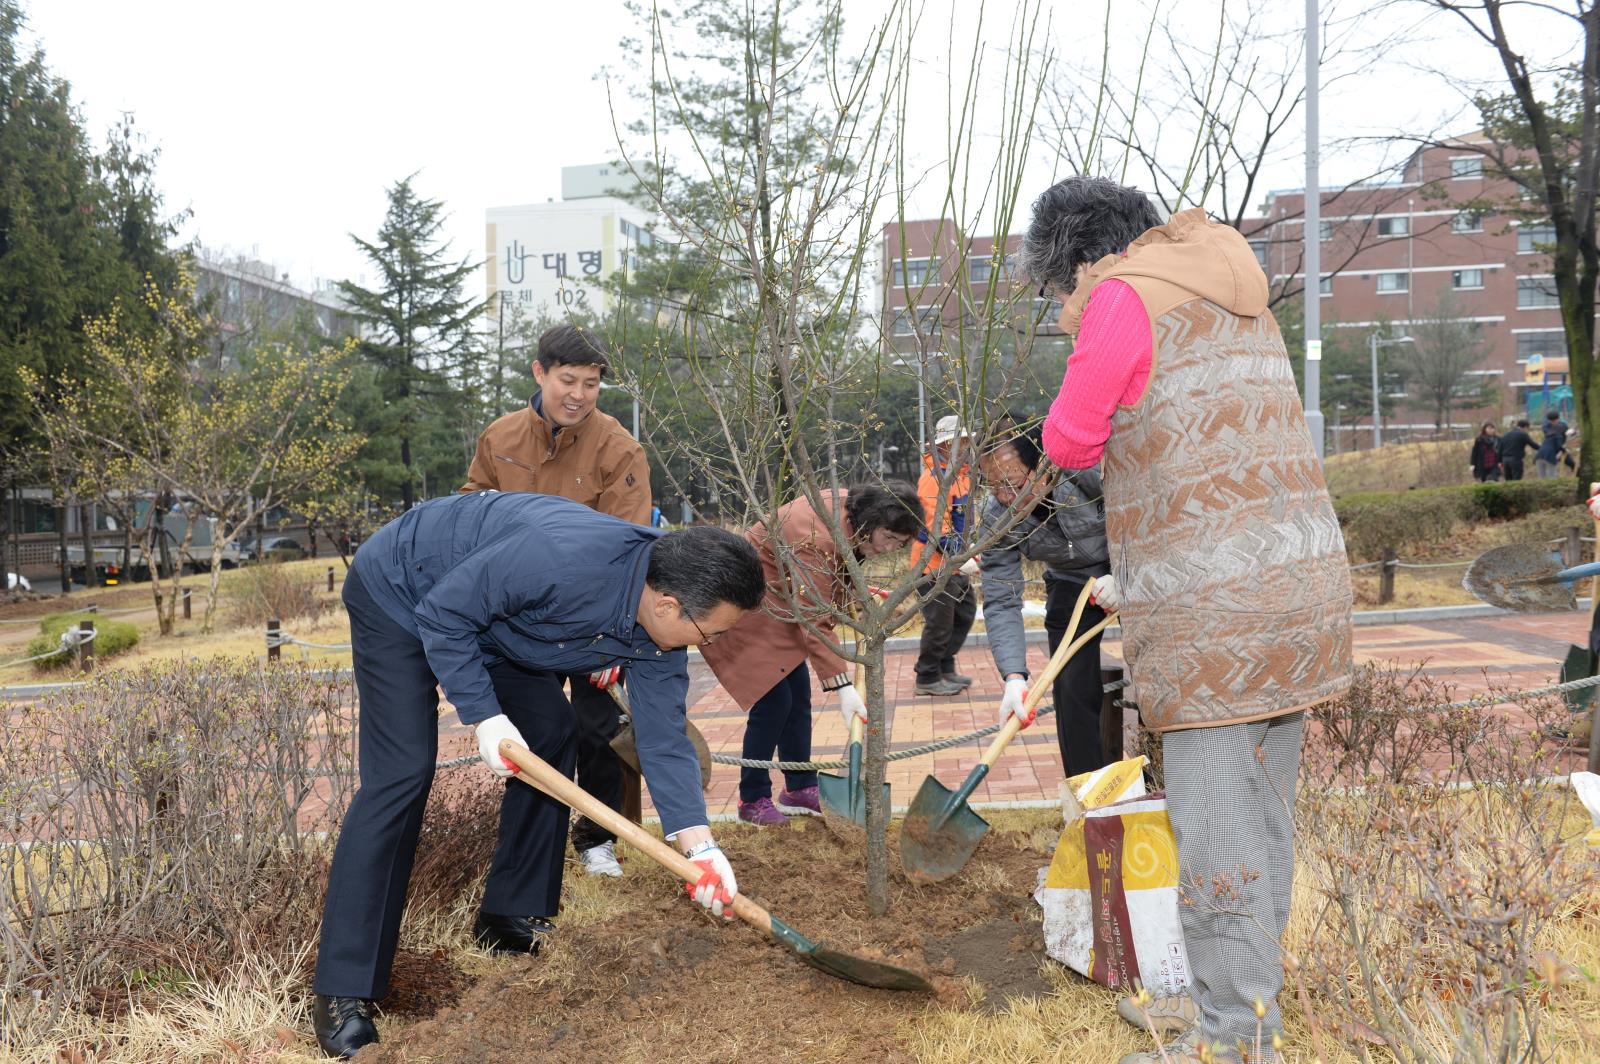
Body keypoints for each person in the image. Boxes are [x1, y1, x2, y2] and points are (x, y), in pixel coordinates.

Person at [1024, 177, 1353, 1064]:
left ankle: (1235, 1042)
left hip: (1219, 619)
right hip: (1297, 588)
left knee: (1214, 835)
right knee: (1265, 818)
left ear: (1084, 260)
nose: (1062, 303)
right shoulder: (1230, 282)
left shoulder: (1124, 296)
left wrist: (1085, 318)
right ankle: (1246, 1007)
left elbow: (1068, 439)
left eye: (1060, 286)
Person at [311, 491, 763, 1059]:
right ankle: (343, 990)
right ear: (669, 604)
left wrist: (699, 846)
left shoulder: (661, 618)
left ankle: (507, 915)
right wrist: (484, 716)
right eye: (711, 632)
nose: (710, 644)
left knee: (550, 731)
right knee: (401, 773)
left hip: (500, 620)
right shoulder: (562, 560)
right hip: (405, 594)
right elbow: (444, 614)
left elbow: (664, 736)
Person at [461, 324, 650, 879]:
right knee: (539, 731)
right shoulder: (499, 437)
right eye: (568, 380)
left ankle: (597, 839)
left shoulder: (620, 447)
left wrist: (617, 635)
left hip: (591, 620)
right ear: (540, 372)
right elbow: (470, 508)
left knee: (598, 732)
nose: (579, 394)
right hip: (516, 620)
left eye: (591, 384)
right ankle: (535, 836)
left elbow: (632, 545)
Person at [700, 483, 923, 827]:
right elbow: (813, 617)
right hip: (746, 604)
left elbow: (831, 579)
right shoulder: (817, 537)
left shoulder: (851, 514)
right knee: (772, 702)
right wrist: (843, 686)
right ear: (871, 521)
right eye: (889, 537)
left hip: (779, 600)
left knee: (797, 697)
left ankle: (799, 787)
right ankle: (752, 797)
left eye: (900, 543)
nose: (891, 548)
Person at [977, 422, 1112, 777]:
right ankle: (1087, 790)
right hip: (1070, 578)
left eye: (1013, 483)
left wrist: (1127, 575)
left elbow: (1140, 514)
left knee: (1154, 669)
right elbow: (1001, 599)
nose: (1005, 496)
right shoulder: (996, 517)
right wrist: (1013, 676)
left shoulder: (1083, 471)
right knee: (1071, 686)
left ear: (1042, 468)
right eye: (993, 485)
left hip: (1127, 563)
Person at [909, 415, 979, 697]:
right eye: (963, 441)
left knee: (963, 615)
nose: (968, 446)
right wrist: (960, 558)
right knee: (939, 624)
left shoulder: (959, 476)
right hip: (933, 567)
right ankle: (927, 676)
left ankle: (945, 667)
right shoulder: (933, 478)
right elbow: (934, 527)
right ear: (948, 444)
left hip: (952, 565)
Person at [1536, 409, 1569, 478]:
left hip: (1541, 455)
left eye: (1554, 420)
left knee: (1543, 478)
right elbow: (1558, 443)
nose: (1553, 422)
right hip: (1550, 454)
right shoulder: (1548, 428)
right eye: (1551, 421)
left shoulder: (1563, 425)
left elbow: (1566, 433)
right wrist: (1564, 450)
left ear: (1558, 419)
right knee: (1552, 477)